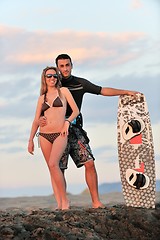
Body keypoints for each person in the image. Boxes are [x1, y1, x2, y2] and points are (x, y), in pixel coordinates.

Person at [39, 54, 138, 208]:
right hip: (57, 132)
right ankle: (62, 204)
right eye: (61, 66)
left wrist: (125, 91)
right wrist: (40, 121)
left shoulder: (80, 83)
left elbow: (102, 90)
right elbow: (42, 109)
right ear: (57, 67)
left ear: (71, 65)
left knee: (89, 163)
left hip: (75, 129)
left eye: (67, 65)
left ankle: (96, 202)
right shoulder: (51, 84)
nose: (65, 69)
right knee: (58, 168)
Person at [28, 66, 79, 210]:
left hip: (60, 134)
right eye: (49, 76)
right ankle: (59, 203)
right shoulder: (41, 98)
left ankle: (65, 201)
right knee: (51, 169)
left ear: (58, 78)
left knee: (53, 164)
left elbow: (75, 111)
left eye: (55, 76)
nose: (52, 78)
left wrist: (67, 123)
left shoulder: (63, 92)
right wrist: (30, 140)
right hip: (44, 135)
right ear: (44, 79)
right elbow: (36, 120)